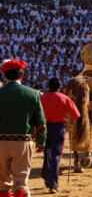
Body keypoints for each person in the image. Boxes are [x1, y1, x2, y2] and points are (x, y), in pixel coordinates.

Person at [0, 59, 46, 197]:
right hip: (23, 142)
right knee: (21, 183)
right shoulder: (32, 94)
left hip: (0, 143)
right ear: (22, 75)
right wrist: (41, 142)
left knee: (2, 184)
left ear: (5, 75)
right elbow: (41, 122)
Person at [40, 77, 80, 194]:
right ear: (59, 87)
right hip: (58, 128)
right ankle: (53, 184)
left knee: (47, 154)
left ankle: (47, 179)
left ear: (48, 86)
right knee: (55, 156)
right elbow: (76, 115)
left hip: (44, 128)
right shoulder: (64, 98)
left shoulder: (42, 98)